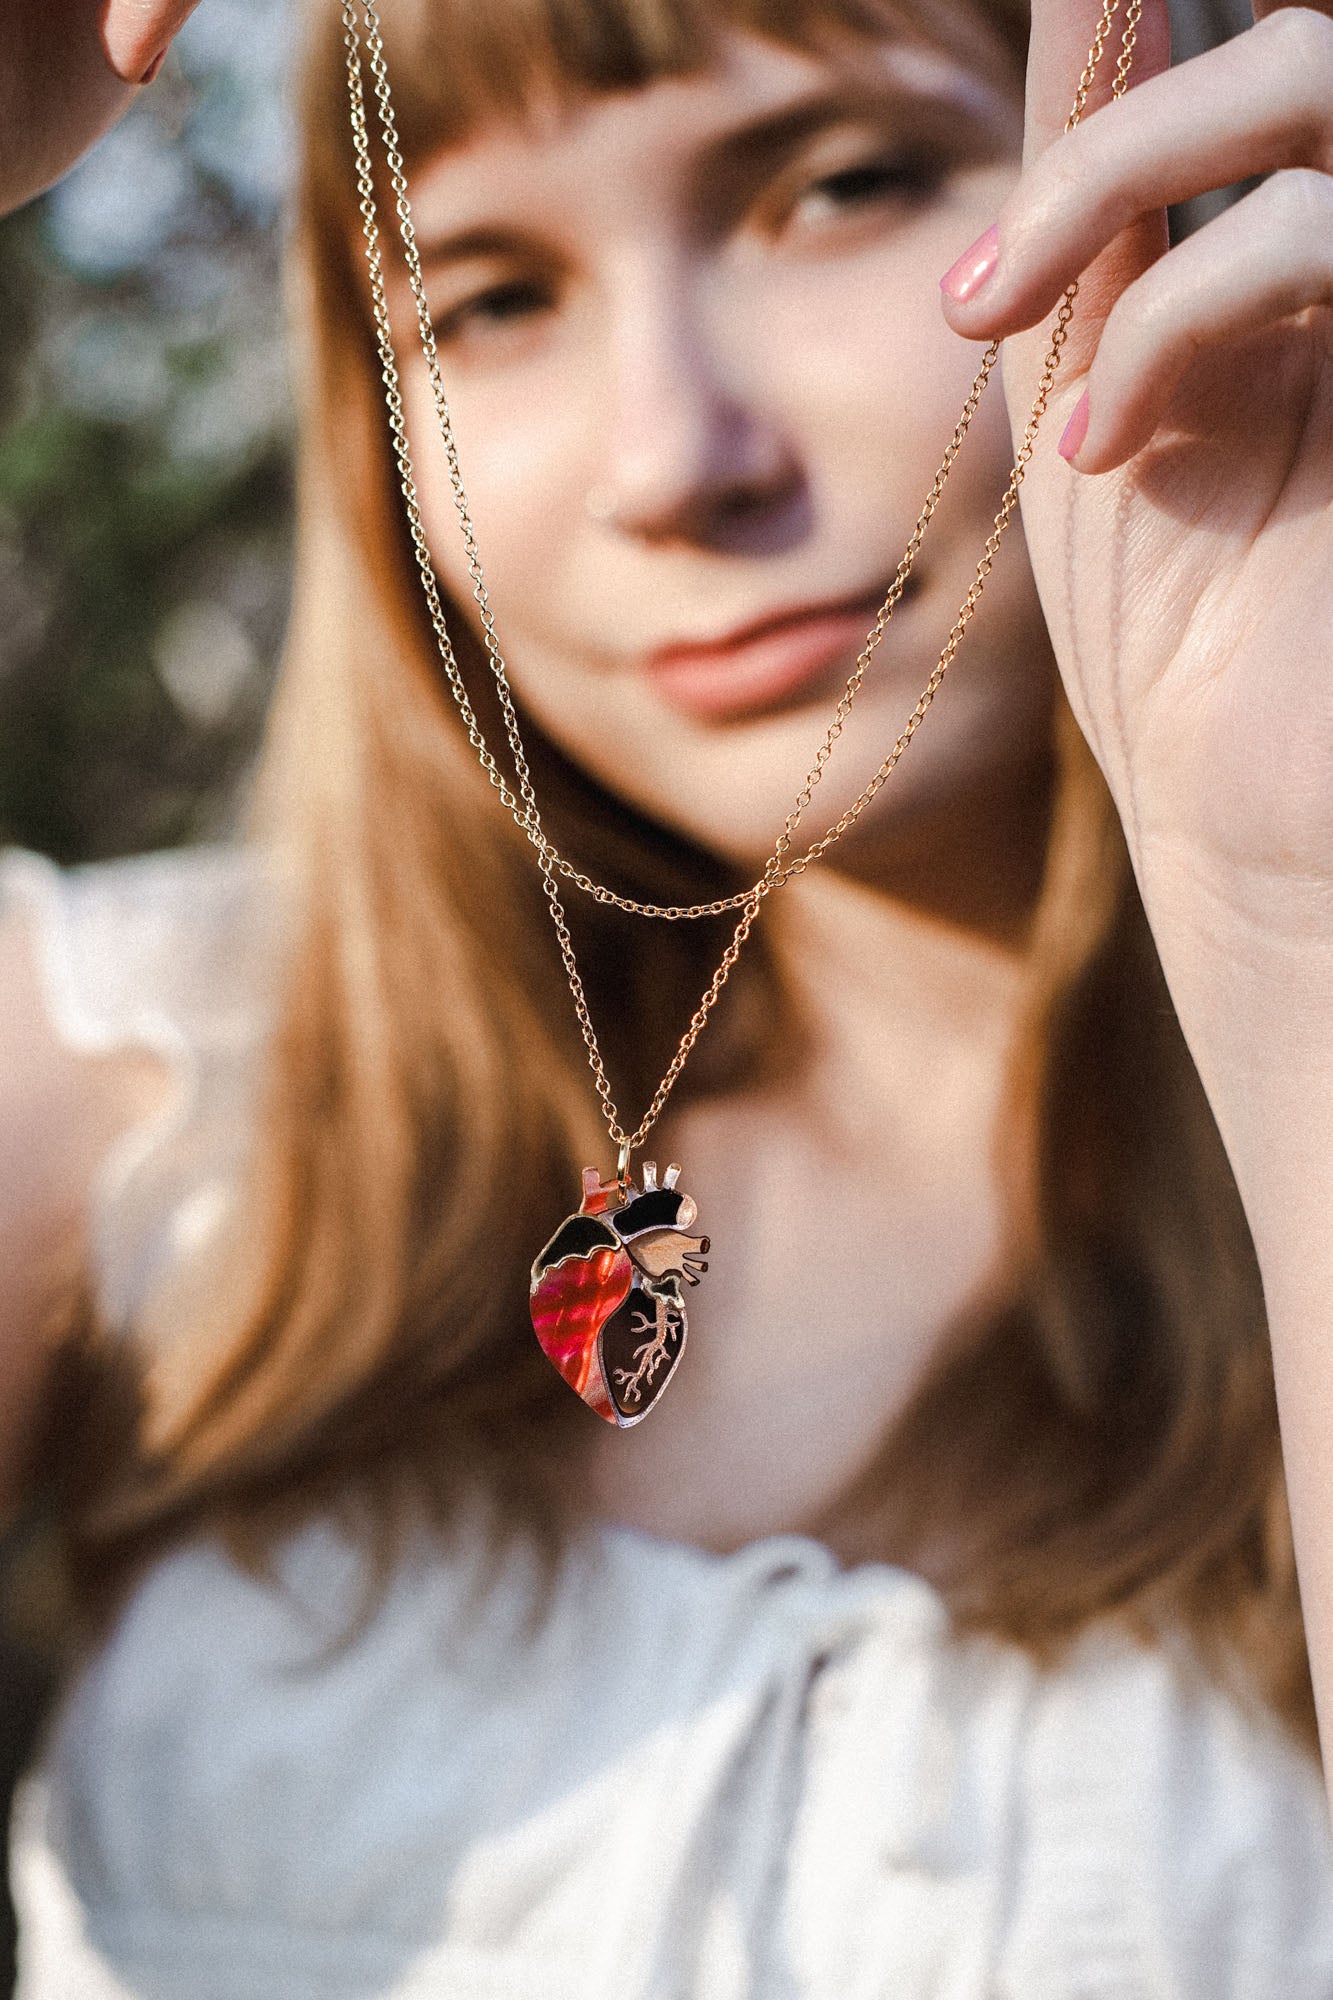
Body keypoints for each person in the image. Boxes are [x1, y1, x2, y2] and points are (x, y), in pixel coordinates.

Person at [3, 0, 1333, 1990]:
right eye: (488, 297)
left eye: (837, 184)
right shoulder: (138, 1072)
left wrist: (1294, 933)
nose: (673, 456)